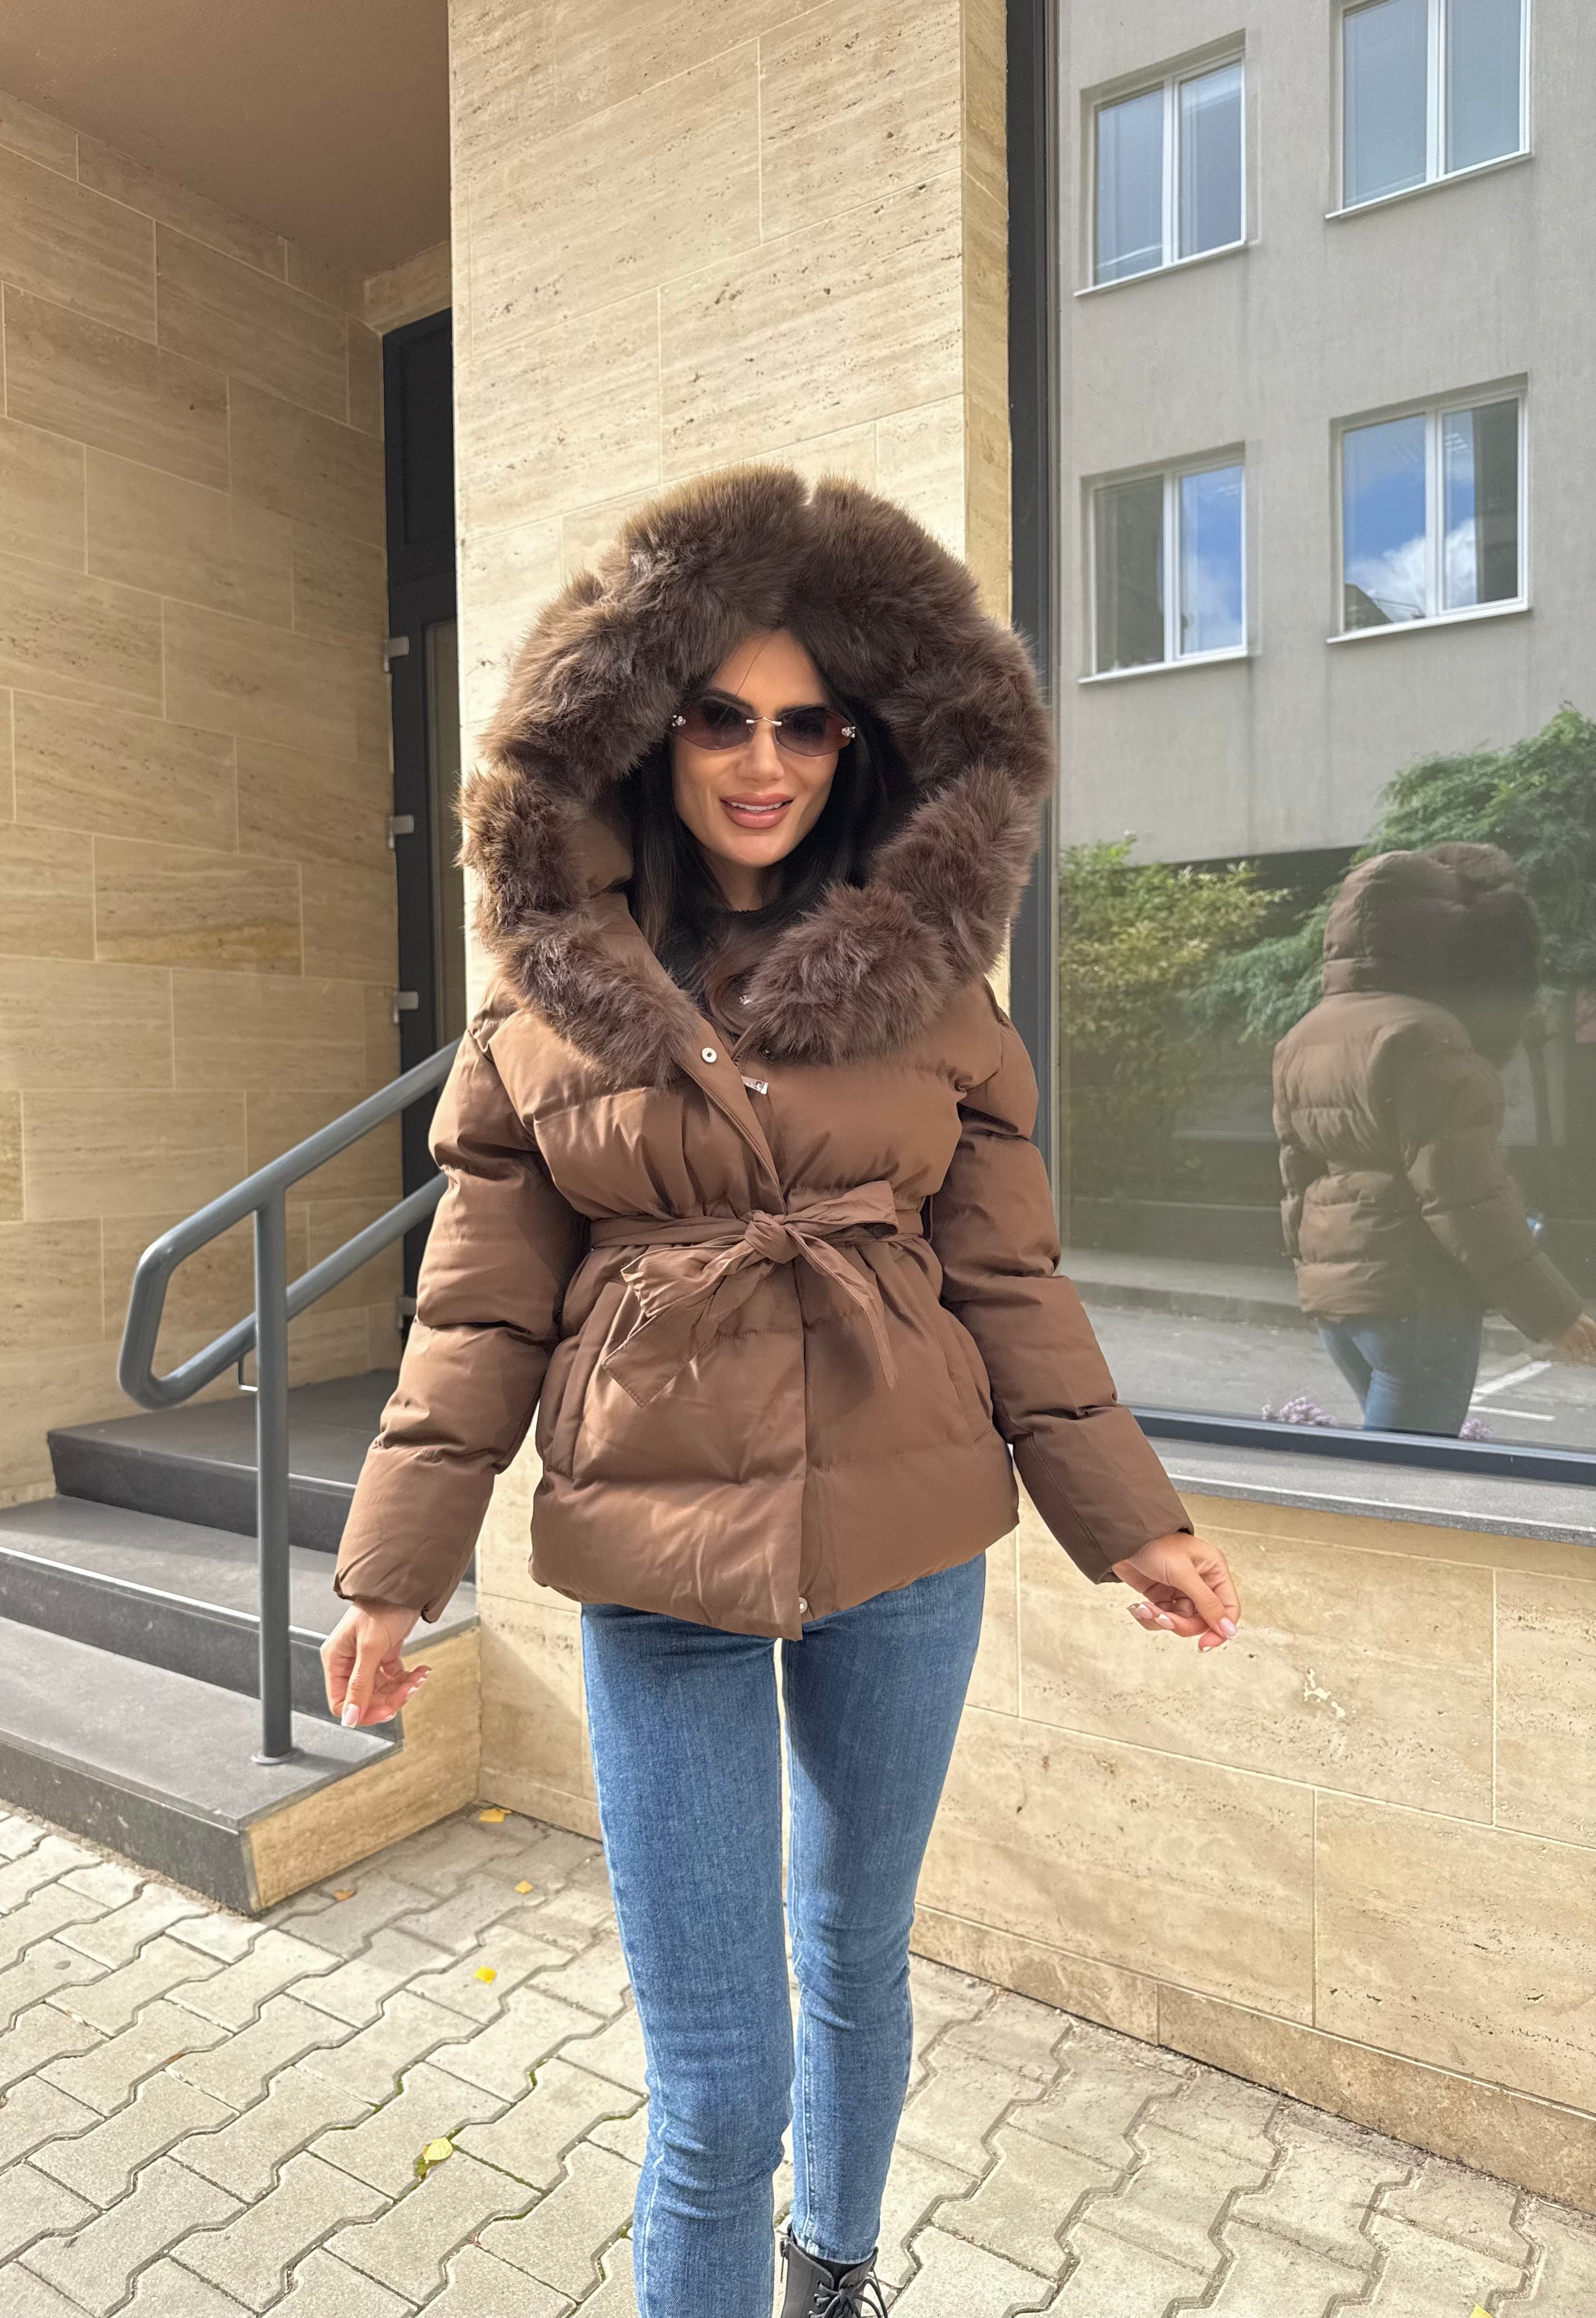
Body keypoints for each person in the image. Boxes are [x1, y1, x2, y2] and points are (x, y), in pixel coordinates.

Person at [322, 467, 1241, 2318]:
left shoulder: (944, 1001)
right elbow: (477, 1313)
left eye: (806, 724)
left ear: (863, 743)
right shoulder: (541, 1015)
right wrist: (394, 1567)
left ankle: (835, 2271)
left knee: (856, 1957)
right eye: (720, 719)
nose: (764, 762)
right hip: (657, 1557)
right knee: (719, 2081)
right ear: (642, 731)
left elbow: (1009, 1280)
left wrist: (1129, 1520)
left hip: (909, 1534)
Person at [1272, 846, 1595, 1436]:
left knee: (1382, 1471)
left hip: (1339, 1308)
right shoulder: (1427, 1035)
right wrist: (1555, 1314)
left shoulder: (1304, 1035)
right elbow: (1467, 1198)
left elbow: (1297, 1180)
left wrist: (1316, 1276)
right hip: (1419, 1304)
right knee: (1399, 1482)